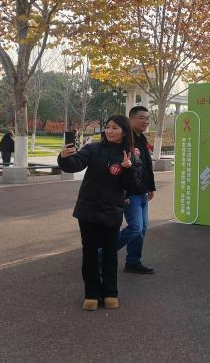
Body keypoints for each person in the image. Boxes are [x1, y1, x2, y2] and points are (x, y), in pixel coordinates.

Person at [58, 115, 141, 311]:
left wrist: (128, 169)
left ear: (124, 132)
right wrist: (64, 157)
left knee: (110, 253)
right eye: (108, 127)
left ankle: (110, 292)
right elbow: (74, 165)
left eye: (115, 128)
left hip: (112, 211)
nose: (109, 131)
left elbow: (133, 186)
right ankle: (92, 294)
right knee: (90, 254)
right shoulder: (93, 149)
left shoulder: (129, 156)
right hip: (88, 210)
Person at [117, 106, 156, 274]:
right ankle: (101, 253)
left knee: (142, 229)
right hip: (130, 193)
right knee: (135, 228)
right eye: (142, 118)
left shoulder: (142, 138)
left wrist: (151, 187)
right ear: (131, 119)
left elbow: (146, 166)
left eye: (147, 118)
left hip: (143, 192)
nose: (146, 121)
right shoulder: (125, 140)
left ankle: (133, 262)